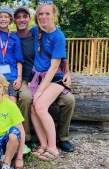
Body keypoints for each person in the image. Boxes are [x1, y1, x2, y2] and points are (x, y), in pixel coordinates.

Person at [14, 6, 75, 152]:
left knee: (67, 101)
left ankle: (61, 140)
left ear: (54, 14)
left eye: (47, 13)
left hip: (54, 78)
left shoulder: (58, 36)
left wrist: (68, 73)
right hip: (37, 77)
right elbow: (20, 32)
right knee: (34, 105)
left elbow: (55, 66)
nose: (43, 17)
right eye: (40, 14)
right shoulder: (37, 30)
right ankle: (43, 144)